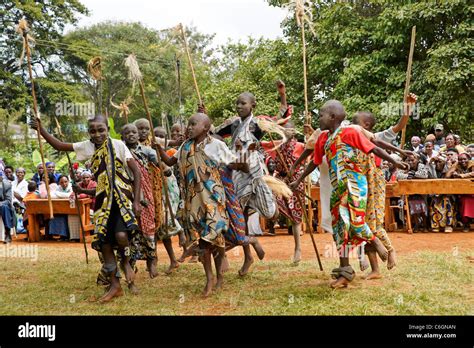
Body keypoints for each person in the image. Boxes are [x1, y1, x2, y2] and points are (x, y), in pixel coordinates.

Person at [291, 100, 407, 289]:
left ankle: (375, 241)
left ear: (333, 117)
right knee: (339, 230)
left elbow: (373, 148)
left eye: (321, 115)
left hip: (355, 186)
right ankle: (345, 272)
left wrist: (395, 161)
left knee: (356, 221)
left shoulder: (350, 132)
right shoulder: (323, 139)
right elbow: (315, 161)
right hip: (338, 189)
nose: (319, 119)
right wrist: (298, 179)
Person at [31, 114, 143, 303]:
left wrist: (138, 200)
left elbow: (137, 172)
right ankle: (115, 286)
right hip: (101, 202)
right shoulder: (87, 146)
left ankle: (125, 261)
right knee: (104, 243)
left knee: (122, 237)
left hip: (122, 199)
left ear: (107, 129)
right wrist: (40, 129)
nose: (97, 134)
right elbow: (59, 145)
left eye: (101, 130)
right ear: (88, 132)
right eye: (93, 131)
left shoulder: (118, 145)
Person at [157, 113, 252, 296]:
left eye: (194, 124)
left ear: (206, 128)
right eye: (188, 124)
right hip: (193, 203)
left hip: (213, 201)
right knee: (202, 243)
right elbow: (170, 161)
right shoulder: (184, 146)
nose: (189, 127)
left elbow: (235, 164)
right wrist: (159, 150)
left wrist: (243, 158)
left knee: (215, 238)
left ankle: (219, 277)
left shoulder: (216, 145)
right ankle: (209, 278)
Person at [215, 92, 275, 276]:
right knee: (237, 217)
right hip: (236, 174)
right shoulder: (233, 124)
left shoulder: (257, 124)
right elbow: (214, 135)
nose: (239, 106)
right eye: (237, 103)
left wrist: (281, 95)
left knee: (269, 212)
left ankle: (272, 201)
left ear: (252, 106)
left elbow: (280, 120)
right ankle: (243, 255)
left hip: (254, 173)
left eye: (243, 103)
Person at [397, 153, 430, 231]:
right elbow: (398, 176)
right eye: (408, 160)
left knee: (422, 204)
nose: (410, 162)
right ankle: (416, 224)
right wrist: (408, 176)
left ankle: (425, 225)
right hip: (407, 193)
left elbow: (425, 175)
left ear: (417, 160)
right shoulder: (403, 166)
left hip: (421, 192)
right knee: (412, 203)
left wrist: (414, 174)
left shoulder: (421, 166)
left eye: (412, 160)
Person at [446, 152, 474, 232]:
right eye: (460, 160)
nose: (463, 161)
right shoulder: (458, 165)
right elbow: (447, 176)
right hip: (463, 194)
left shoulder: (472, 164)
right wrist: (454, 166)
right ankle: (466, 224)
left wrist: (461, 176)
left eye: (465, 159)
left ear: (468, 159)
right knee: (464, 201)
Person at [49, 175, 73, 240]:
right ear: (59, 183)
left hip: (71, 208)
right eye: (61, 182)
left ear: (68, 181)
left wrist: (58, 194)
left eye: (65, 182)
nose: (64, 184)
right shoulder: (58, 187)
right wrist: (65, 195)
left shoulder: (71, 186)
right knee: (56, 216)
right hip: (61, 208)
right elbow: (51, 195)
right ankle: (60, 235)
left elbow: (71, 195)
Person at [0, 175, 14, 244]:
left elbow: (8, 200)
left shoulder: (6, 185)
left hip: (3, 205)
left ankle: (7, 233)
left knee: (5, 207)